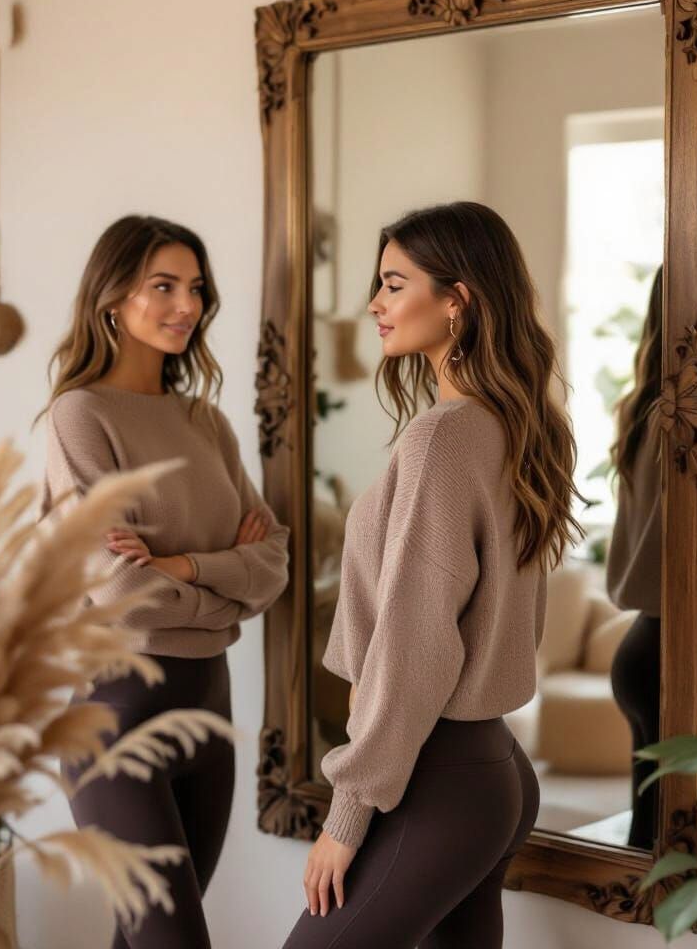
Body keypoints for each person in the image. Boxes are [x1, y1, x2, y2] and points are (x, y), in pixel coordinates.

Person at [283, 201, 583, 949]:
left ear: (458, 300)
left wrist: (346, 817)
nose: (375, 305)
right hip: (489, 769)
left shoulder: (443, 437)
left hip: (441, 777)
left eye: (393, 284)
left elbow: (417, 642)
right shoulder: (512, 422)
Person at [38, 214, 290, 949]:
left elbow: (273, 561)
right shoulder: (79, 415)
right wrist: (222, 585)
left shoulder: (203, 420)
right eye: (165, 286)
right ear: (112, 298)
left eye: (197, 288)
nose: (188, 305)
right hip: (116, 720)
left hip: (209, 714)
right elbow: (118, 592)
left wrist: (177, 567)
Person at [607, 266, 665, 851]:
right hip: (665, 654)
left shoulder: (640, 407)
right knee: (659, 842)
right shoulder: (683, 417)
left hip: (640, 647)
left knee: (645, 836)